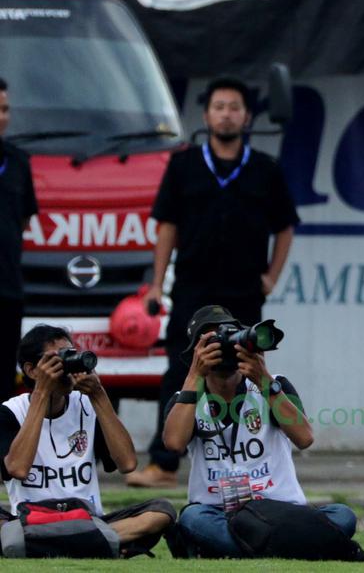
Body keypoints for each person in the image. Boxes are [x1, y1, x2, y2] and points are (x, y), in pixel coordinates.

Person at [128, 78, 299, 487]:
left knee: (245, 369)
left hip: (244, 291)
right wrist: (157, 284)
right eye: (219, 107)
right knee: (182, 368)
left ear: (247, 117)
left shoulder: (265, 169)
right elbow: (167, 227)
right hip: (193, 288)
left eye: (234, 107)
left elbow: (285, 226)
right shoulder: (184, 165)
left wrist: (271, 277)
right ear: (206, 116)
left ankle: (247, 457)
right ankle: (164, 463)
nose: (226, 114)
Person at [161, 305, 356, 557]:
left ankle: (244, 548)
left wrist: (264, 380)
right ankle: (296, 547)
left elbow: (305, 438)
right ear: (196, 353)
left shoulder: (275, 385)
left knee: (343, 515)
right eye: (213, 341)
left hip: (280, 509)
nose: (224, 346)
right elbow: (174, 443)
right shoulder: (185, 399)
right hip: (218, 511)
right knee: (193, 518)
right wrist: (194, 376)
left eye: (229, 337)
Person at [0, 325, 175, 557]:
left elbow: (128, 463)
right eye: (57, 359)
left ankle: (40, 545)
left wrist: (99, 395)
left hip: (87, 518)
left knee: (161, 512)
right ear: (32, 370)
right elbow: (18, 469)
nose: (67, 366)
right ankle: (95, 542)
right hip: (31, 519)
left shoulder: (87, 404)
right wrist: (42, 393)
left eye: (71, 355)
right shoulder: (10, 412)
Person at [0, 77, 38, 403]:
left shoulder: (18, 162)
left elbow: (24, 219)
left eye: (5, 109)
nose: (2, 116)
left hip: (7, 287)